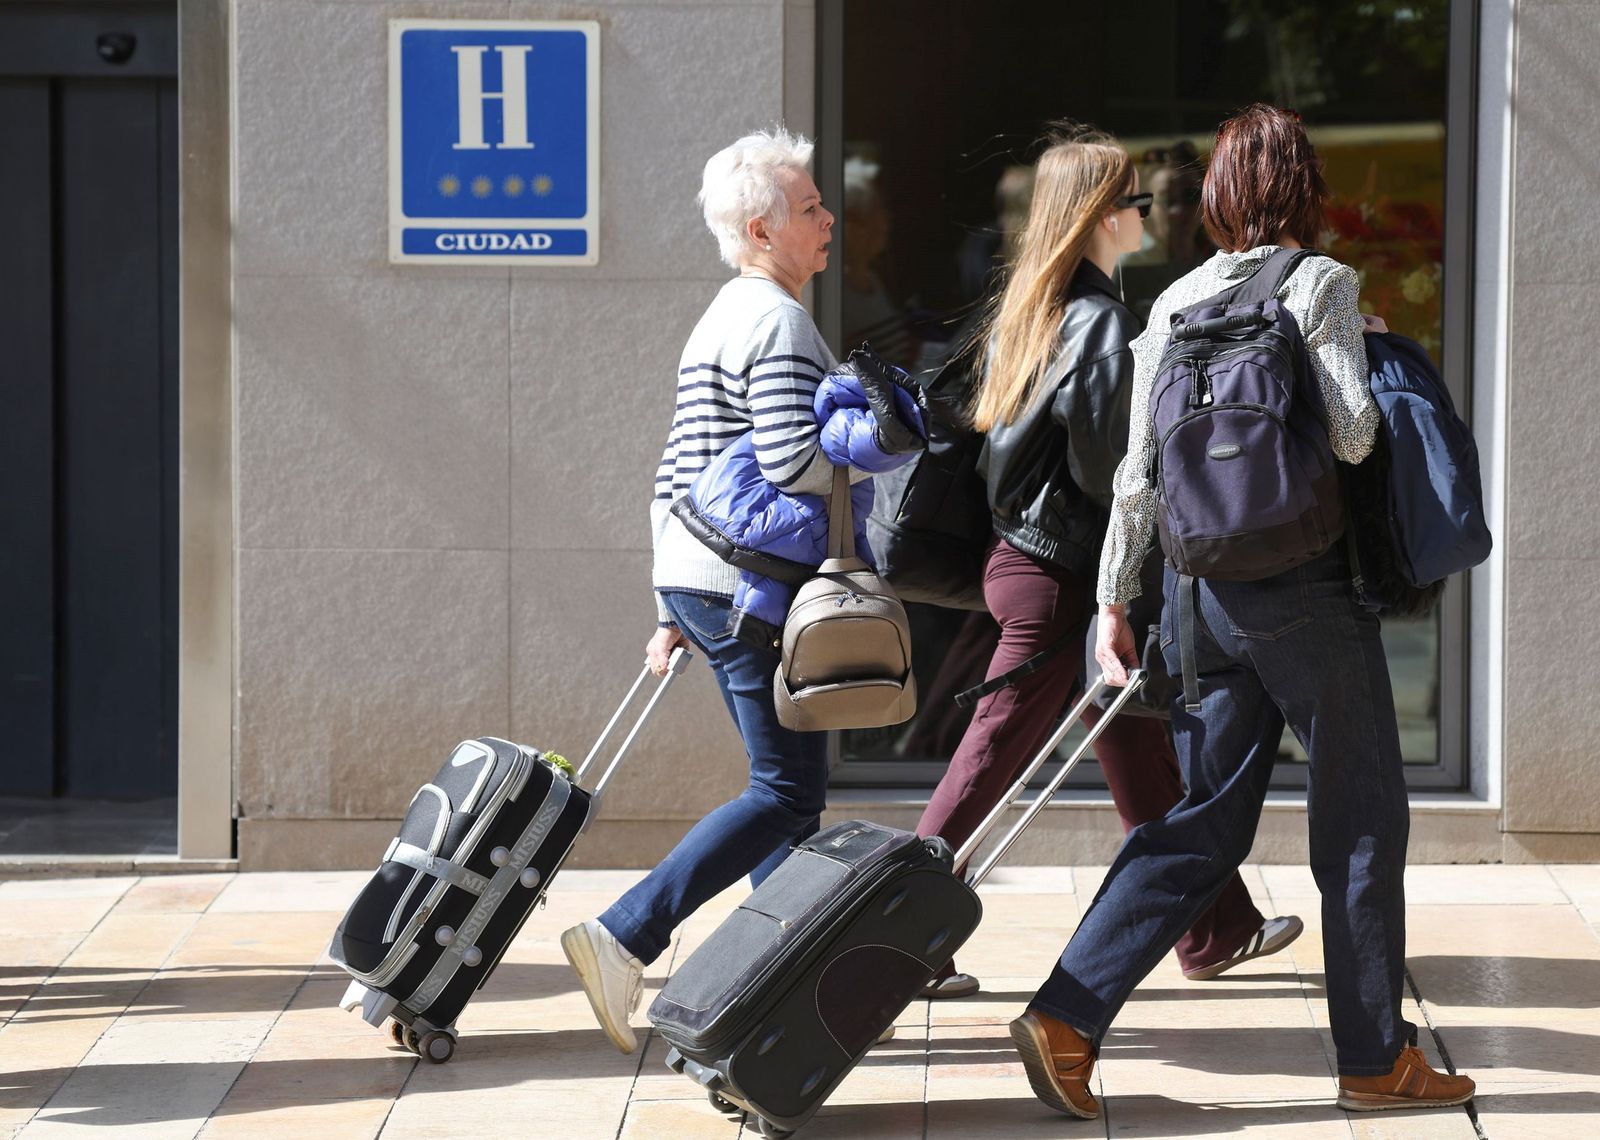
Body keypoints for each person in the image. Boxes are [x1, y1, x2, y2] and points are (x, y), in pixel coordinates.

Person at [1008, 105, 1476, 1119]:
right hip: (1305, 590)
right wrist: (1372, 348)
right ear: (1305, 192)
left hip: (1197, 597)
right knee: (1358, 821)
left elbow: (1137, 476)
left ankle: (1065, 1017)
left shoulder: (1171, 300)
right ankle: (1371, 1058)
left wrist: (1108, 603)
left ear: (1218, 199)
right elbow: (1353, 437)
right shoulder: (1322, 285)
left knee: (1202, 820)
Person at [915, 126, 1299, 999]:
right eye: (1135, 200)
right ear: (1099, 217)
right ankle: (897, 939)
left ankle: (1213, 927)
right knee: (985, 766)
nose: (1149, 213)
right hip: (1058, 580)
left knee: (1138, 750)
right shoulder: (1096, 322)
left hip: (1038, 565)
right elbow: (1105, 471)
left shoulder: (1036, 311)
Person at [561, 128, 840, 1055]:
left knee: (779, 792)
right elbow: (795, 468)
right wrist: (878, 441)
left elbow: (674, 471)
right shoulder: (779, 323)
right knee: (786, 793)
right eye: (809, 209)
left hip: (694, 578)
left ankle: (786, 972)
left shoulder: (721, 314)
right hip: (745, 589)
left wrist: (666, 603)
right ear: (762, 229)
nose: (828, 219)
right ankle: (624, 934)